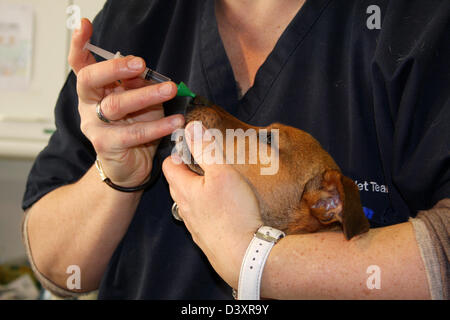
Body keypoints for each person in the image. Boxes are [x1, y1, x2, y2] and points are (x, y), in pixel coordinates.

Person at [22, 0, 449, 299]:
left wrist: (256, 261)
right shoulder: (135, 18)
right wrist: (116, 176)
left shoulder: (416, 23)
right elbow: (60, 270)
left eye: (264, 139)